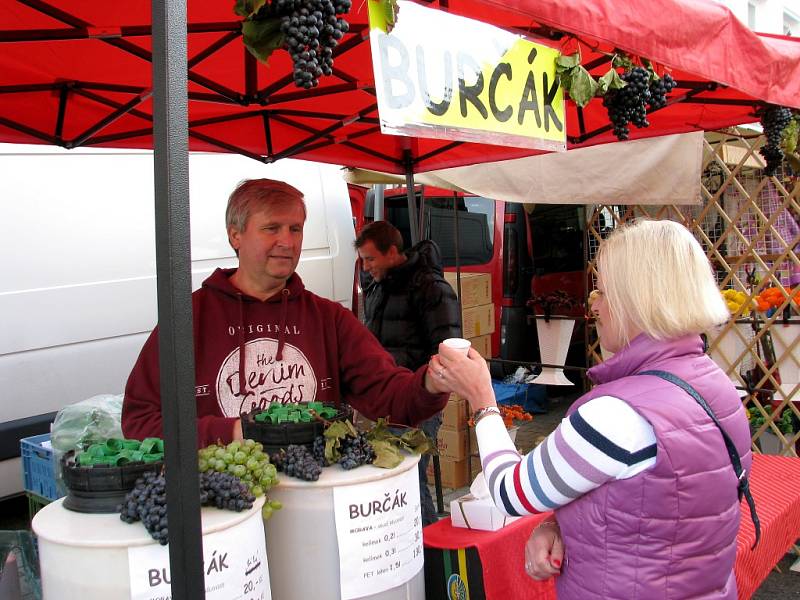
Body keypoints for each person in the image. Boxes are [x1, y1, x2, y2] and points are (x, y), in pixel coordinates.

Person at [428, 219, 752, 599]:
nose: (593, 304)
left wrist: (483, 399)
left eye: (603, 290)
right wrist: (561, 524)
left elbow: (511, 493)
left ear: (638, 301)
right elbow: (662, 508)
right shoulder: (716, 384)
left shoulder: (617, 415)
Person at [122, 179, 449, 447]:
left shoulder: (328, 319)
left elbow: (391, 396)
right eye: (271, 228)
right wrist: (235, 431)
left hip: (311, 502)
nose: (287, 241)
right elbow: (140, 421)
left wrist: (431, 382)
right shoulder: (189, 319)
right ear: (235, 234)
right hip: (224, 510)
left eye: (295, 229)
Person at [355, 220, 461, 525]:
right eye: (363, 259)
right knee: (393, 483)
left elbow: (447, 349)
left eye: (370, 258)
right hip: (384, 401)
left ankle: (431, 555)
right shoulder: (379, 287)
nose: (366, 266)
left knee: (411, 481)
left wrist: (421, 387)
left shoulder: (431, 288)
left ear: (392, 252)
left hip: (418, 403)